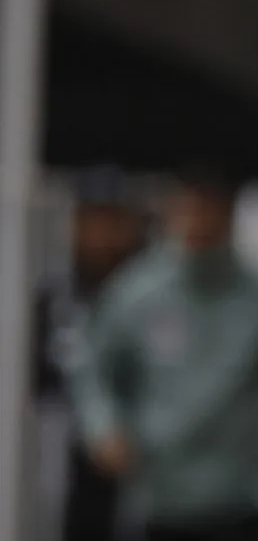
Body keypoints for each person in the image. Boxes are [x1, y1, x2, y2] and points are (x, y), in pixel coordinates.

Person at [71, 165, 258, 541]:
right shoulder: (136, 291)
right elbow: (93, 365)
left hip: (236, 497)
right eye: (189, 205)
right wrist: (103, 426)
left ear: (228, 211)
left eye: (209, 205)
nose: (198, 218)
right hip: (158, 494)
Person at [32, 166, 147, 541]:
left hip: (135, 456)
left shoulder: (147, 295)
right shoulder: (55, 298)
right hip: (60, 457)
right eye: (92, 220)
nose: (102, 235)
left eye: (112, 221)